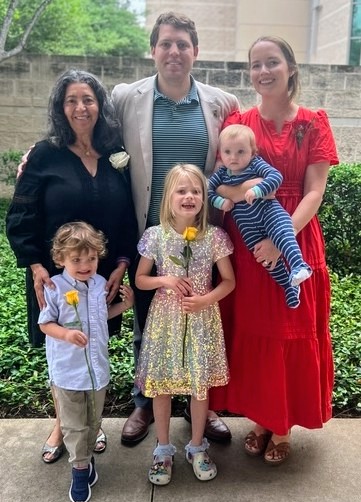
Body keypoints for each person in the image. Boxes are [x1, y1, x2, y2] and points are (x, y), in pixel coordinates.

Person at [112, 11, 240, 446]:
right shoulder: (126, 97)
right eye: (166, 43)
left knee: (201, 320)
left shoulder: (221, 103)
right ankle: (145, 402)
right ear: (153, 50)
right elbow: (87, 130)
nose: (174, 52)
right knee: (149, 323)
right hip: (151, 230)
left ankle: (203, 406)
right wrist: (39, 149)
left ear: (196, 52)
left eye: (183, 44)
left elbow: (244, 149)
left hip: (203, 234)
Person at [209, 36, 339, 465]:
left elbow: (314, 191)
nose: (264, 71)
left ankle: (283, 428)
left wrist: (280, 242)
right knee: (255, 330)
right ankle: (261, 420)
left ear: (290, 68)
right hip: (248, 246)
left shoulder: (313, 122)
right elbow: (220, 183)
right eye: (256, 64)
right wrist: (247, 192)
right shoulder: (239, 120)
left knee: (290, 331)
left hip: (294, 240)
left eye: (272, 62)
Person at [6, 69, 138, 463]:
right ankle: (63, 424)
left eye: (88, 99)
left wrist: (122, 263)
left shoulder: (116, 153)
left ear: (100, 105)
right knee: (61, 348)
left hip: (100, 277)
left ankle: (91, 423)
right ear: (61, 108)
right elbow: (21, 213)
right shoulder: (45, 154)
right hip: (55, 275)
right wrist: (34, 265)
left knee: (93, 344)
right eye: (71, 101)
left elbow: (127, 216)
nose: (80, 108)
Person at [134, 164, 235, 485]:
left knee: (198, 384)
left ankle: (196, 446)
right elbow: (140, 280)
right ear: (168, 198)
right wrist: (164, 278)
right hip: (166, 322)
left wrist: (206, 299)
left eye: (196, 191)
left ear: (204, 199)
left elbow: (229, 281)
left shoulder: (215, 237)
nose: (189, 196)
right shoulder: (156, 236)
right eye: (182, 191)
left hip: (201, 319)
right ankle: (163, 448)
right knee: (163, 386)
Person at [38, 221, 134, 502]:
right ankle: (79, 469)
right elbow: (45, 324)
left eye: (91, 258)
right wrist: (66, 333)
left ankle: (86, 459)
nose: (85, 264)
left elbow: (100, 317)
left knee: (92, 422)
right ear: (60, 259)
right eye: (76, 259)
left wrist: (124, 307)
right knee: (74, 426)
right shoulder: (55, 287)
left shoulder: (100, 285)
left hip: (96, 371)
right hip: (68, 373)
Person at [208, 124, 312, 308]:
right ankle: (289, 285)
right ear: (220, 153)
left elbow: (276, 177)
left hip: (269, 211)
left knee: (284, 234)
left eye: (241, 151)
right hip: (246, 225)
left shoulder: (256, 164)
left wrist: (258, 189)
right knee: (264, 257)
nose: (233, 157)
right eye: (227, 152)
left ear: (252, 152)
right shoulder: (222, 174)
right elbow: (208, 191)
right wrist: (220, 202)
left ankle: (299, 265)